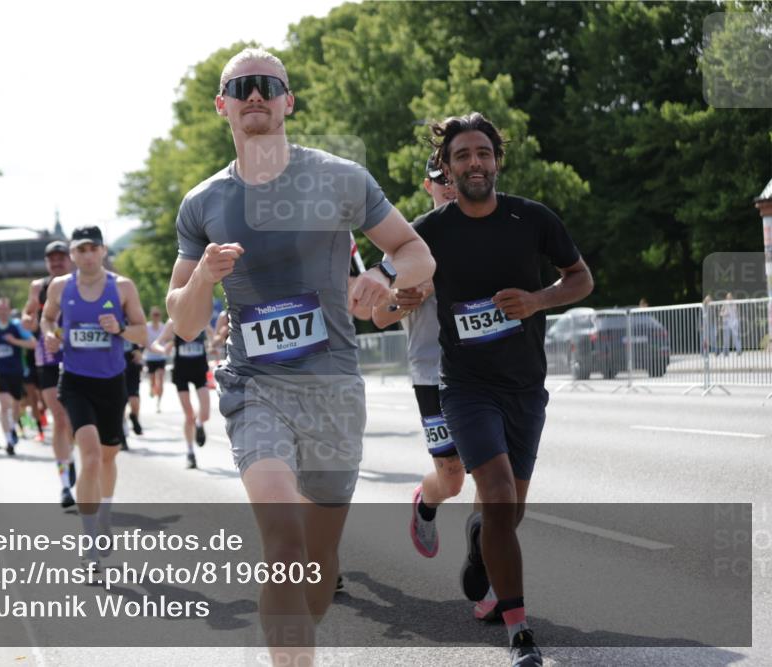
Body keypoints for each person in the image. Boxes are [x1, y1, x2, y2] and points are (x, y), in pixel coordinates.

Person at [164, 48, 434, 661]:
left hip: (333, 388)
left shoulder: (340, 178)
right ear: (223, 105)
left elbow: (416, 251)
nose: (255, 95)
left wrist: (384, 276)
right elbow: (184, 321)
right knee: (284, 543)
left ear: (288, 100)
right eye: (242, 87)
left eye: (268, 85)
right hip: (255, 388)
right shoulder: (203, 202)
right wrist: (203, 276)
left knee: (317, 561)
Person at [414, 112, 594, 666]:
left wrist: (537, 300)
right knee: (494, 493)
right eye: (462, 155)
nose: (475, 163)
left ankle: (481, 548)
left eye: (483, 153)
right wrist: (389, 293)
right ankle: (520, 633)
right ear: (446, 168)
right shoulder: (430, 231)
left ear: (497, 161)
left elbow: (581, 278)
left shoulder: (532, 218)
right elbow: (389, 277)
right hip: (466, 387)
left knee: (507, 511)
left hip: (525, 387)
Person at [372, 154, 469, 574]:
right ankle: (425, 504)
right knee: (452, 478)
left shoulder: (487, 232)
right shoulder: (409, 242)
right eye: (440, 180)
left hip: (485, 370)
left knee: (497, 473)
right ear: (428, 186)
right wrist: (402, 299)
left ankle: (488, 561)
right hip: (432, 373)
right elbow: (379, 316)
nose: (450, 187)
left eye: (455, 178)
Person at [41, 225, 147, 569]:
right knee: (89, 457)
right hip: (75, 381)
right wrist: (50, 335)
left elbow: (142, 333)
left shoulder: (123, 287)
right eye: (81, 250)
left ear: (103, 251)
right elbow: (47, 318)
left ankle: (105, 514)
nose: (87, 255)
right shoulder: (60, 287)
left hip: (112, 382)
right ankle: (88, 544)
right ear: (73, 254)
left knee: (107, 458)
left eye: (93, 249)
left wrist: (120, 329)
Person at [22, 240, 77, 507]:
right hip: (48, 356)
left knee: (74, 419)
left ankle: (71, 455)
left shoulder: (82, 282)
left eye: (61, 258)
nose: (56, 262)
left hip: (78, 354)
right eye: (51, 259)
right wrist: (27, 319)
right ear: (46, 263)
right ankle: (65, 483)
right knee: (59, 417)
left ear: (70, 259)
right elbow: (28, 313)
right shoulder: (39, 286)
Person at [150, 321, 213, 469]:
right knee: (189, 415)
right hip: (181, 373)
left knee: (205, 414)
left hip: (199, 371)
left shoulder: (201, 318)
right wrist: (163, 350)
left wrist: (213, 345)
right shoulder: (173, 322)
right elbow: (156, 343)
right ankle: (190, 452)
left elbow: (214, 337)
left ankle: (199, 425)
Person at [0, 297, 36, 455]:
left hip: (16, 371)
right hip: (0, 372)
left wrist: (14, 341)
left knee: (16, 405)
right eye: (0, 309)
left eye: (6, 309)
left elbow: (33, 343)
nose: (3, 312)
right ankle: (9, 439)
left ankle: (13, 427)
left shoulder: (16, 326)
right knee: (4, 405)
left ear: (9, 311)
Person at [143, 307, 168, 412]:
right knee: (152, 380)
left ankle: (159, 403)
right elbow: (144, 340)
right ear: (151, 316)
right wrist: (149, 347)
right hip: (150, 357)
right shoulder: (147, 327)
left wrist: (165, 349)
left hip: (161, 357)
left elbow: (167, 339)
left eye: (158, 314)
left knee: (161, 380)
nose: (156, 317)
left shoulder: (164, 327)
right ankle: (152, 387)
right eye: (154, 314)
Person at [123, 338, 144, 444]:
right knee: (120, 406)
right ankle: (123, 435)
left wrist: (139, 352)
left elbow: (143, 340)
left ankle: (134, 417)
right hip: (116, 372)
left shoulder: (132, 330)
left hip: (132, 372)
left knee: (134, 402)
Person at [720, 291, 742, 355]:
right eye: (728, 297)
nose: (729, 298)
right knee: (726, 338)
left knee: (736, 337)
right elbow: (720, 313)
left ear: (732, 297)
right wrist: (724, 314)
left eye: (730, 297)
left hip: (734, 322)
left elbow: (736, 312)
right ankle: (725, 352)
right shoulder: (724, 303)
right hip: (726, 322)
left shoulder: (734, 303)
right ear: (726, 298)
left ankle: (739, 351)